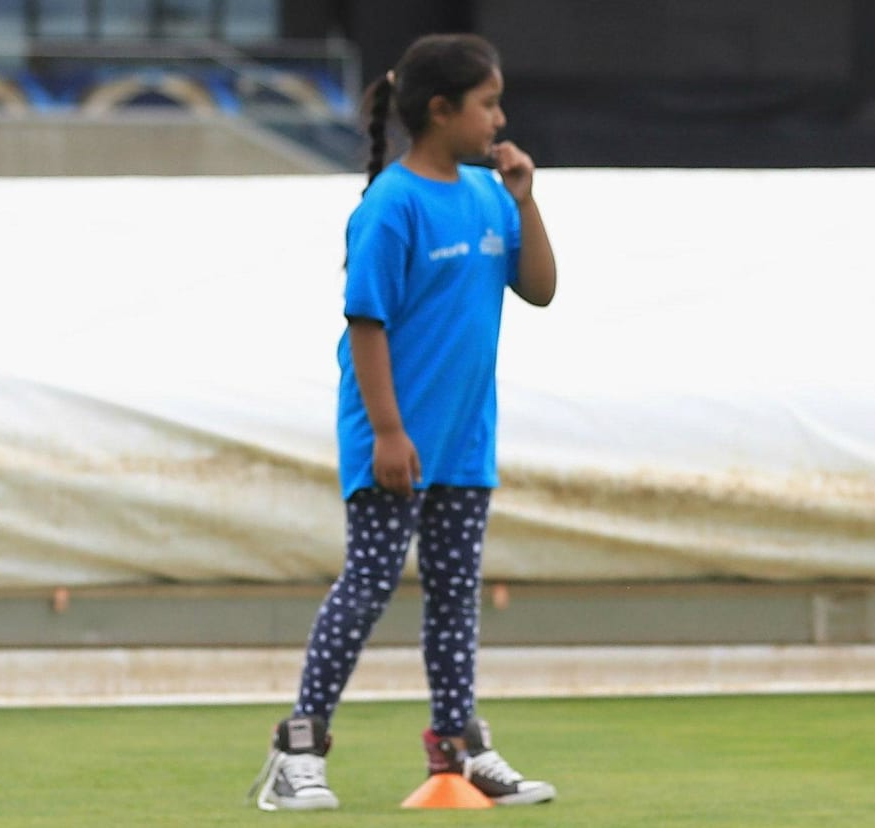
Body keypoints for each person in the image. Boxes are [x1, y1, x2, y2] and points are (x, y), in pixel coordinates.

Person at [248, 33, 558, 812]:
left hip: (463, 443)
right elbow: (367, 324)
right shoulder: (391, 205)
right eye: (487, 103)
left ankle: (457, 750)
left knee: (454, 596)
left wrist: (526, 199)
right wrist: (388, 432)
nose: (500, 117)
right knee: (370, 582)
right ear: (439, 109)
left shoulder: (490, 194)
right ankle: (299, 749)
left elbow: (542, 289)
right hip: (395, 443)